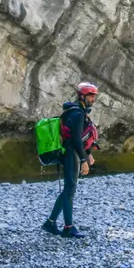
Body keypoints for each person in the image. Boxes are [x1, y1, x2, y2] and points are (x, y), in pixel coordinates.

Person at [43, 82, 98, 238]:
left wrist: (88, 154)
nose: (93, 99)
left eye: (94, 96)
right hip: (71, 153)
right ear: (82, 96)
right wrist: (84, 160)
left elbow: (79, 137)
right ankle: (68, 228)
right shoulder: (78, 114)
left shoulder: (74, 111)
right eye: (90, 96)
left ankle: (50, 223)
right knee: (70, 190)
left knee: (68, 189)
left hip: (70, 152)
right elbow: (76, 140)